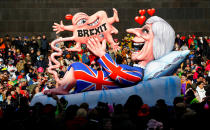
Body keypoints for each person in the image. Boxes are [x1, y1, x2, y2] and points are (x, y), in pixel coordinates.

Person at [44, 16, 175, 95]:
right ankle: (63, 87)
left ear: (158, 44)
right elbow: (115, 70)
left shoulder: (138, 74)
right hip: (96, 79)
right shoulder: (135, 68)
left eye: (145, 31)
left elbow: (118, 74)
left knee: (78, 69)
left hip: (95, 81)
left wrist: (102, 55)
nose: (133, 32)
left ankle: (64, 88)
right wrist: (97, 55)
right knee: (77, 67)